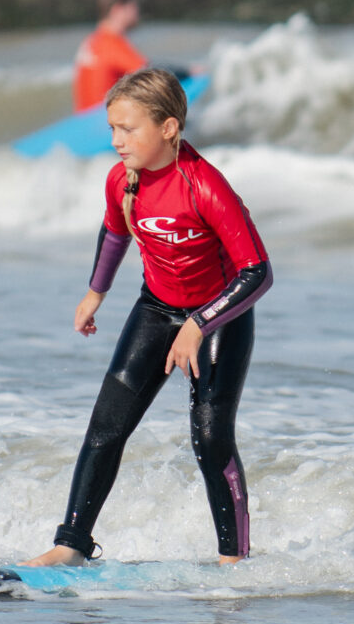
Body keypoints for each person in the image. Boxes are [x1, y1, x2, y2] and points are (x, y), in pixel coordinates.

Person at [38, 66, 272, 565]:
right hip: (157, 308)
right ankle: (71, 544)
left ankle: (234, 559)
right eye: (112, 130)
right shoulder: (122, 180)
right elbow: (115, 230)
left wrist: (197, 324)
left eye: (128, 129)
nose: (117, 141)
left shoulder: (205, 187)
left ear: (168, 128)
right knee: (105, 428)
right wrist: (95, 292)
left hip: (219, 318)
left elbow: (256, 273)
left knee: (210, 440)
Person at [72, 0, 148, 111]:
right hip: (106, 122)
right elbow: (148, 73)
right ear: (117, 10)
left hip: (85, 121)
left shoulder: (91, 42)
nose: (137, 13)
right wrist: (187, 72)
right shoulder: (112, 43)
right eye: (133, 8)